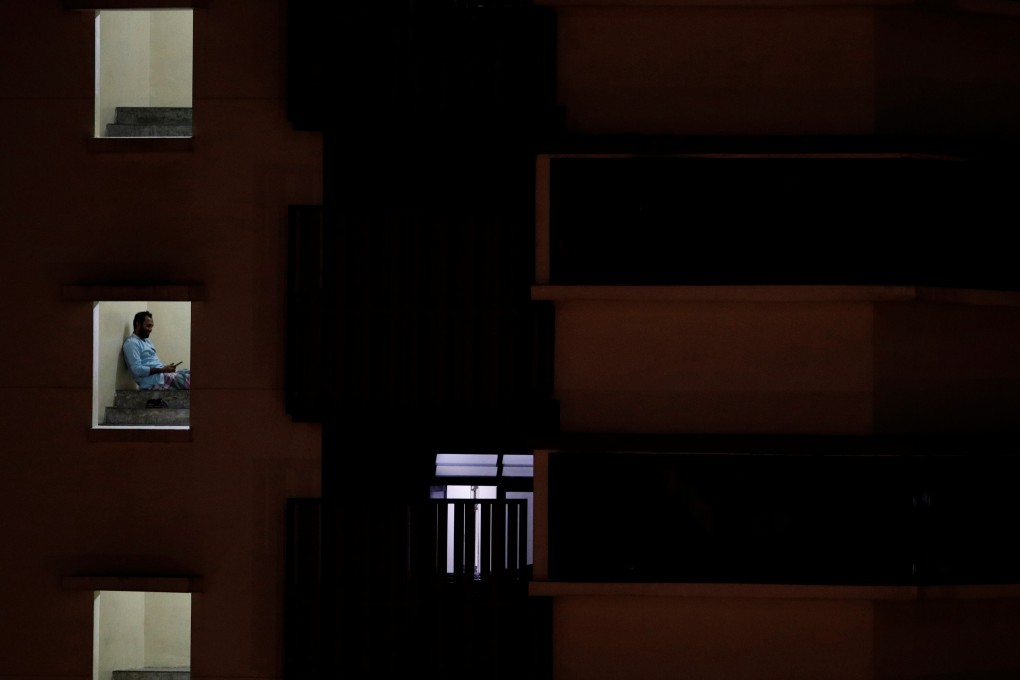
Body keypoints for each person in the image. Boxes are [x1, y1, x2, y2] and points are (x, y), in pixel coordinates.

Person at [122, 311, 191, 394]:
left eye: (151, 326)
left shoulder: (147, 341)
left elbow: (153, 363)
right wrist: (162, 369)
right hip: (152, 381)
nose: (150, 329)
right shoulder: (131, 343)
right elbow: (136, 370)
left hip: (161, 375)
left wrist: (166, 368)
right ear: (138, 324)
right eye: (148, 326)